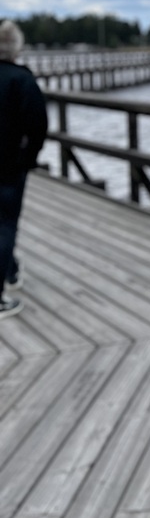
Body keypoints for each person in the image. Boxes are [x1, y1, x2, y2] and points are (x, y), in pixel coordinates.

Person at [0, 20, 48, 320]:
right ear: (17, 47)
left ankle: (11, 268)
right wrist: (28, 158)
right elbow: (38, 126)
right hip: (8, 166)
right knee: (5, 224)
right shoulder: (21, 79)